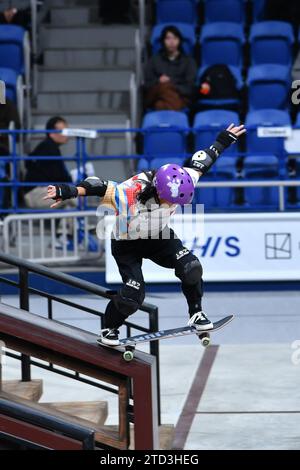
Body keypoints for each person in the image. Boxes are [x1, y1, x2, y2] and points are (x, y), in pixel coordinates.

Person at [44, 124, 246, 346]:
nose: (174, 205)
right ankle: (109, 329)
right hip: (126, 244)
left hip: (159, 237)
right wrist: (68, 191)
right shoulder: (130, 192)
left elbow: (203, 160)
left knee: (191, 267)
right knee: (133, 295)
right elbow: (97, 185)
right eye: (172, 201)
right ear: (159, 191)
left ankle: (196, 313)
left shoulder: (182, 179)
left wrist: (224, 139)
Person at [24, 116, 76, 247]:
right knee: (74, 195)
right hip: (34, 194)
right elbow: (59, 176)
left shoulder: (49, 147)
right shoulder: (48, 148)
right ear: (52, 133)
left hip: (41, 191)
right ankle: (65, 236)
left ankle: (63, 236)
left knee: (73, 198)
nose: (67, 134)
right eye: (63, 130)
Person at [144, 25, 197, 111]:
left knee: (160, 105)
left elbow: (190, 87)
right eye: (168, 38)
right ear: (163, 41)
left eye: (175, 38)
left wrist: (171, 84)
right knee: (163, 86)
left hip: (180, 96)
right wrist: (159, 81)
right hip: (156, 95)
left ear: (179, 41)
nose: (171, 42)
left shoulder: (188, 61)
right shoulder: (154, 60)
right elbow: (147, 85)